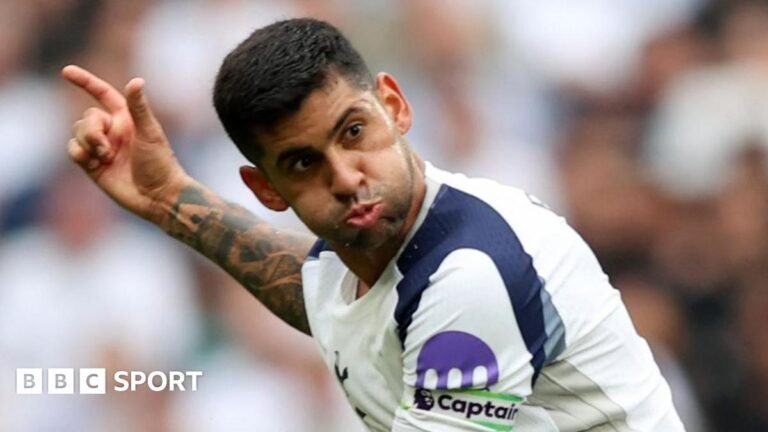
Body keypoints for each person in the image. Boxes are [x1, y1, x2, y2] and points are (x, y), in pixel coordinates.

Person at [63, 18, 685, 432]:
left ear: (395, 105)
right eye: (303, 163)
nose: (345, 176)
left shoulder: (471, 277)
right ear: (266, 190)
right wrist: (167, 196)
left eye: (353, 131)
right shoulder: (373, 255)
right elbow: (325, 295)